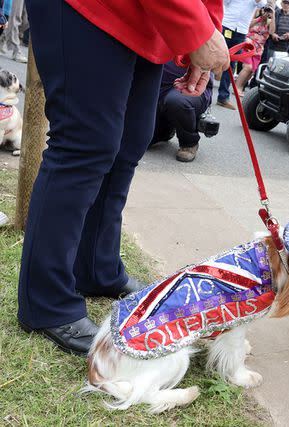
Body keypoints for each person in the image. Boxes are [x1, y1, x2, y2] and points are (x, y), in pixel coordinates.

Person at [17, 0, 229, 357]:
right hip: (86, 7)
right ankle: (45, 301)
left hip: (144, 18)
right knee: (84, 143)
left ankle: (96, 267)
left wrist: (203, 28)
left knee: (131, 140)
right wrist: (194, 27)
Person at [149, 61, 214, 162]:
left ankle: (189, 143)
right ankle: (165, 130)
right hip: (153, 86)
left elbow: (219, 64)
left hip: (189, 86)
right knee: (137, 141)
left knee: (177, 102)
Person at [216, 0, 267, 111]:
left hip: (241, 31)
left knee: (231, 64)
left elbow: (263, 4)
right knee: (215, 57)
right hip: (227, 25)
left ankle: (223, 97)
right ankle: (200, 89)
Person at [235, 5, 275, 96]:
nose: (266, 11)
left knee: (252, 70)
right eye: (265, 9)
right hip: (248, 45)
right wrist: (260, 18)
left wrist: (273, 15)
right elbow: (248, 25)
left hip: (259, 49)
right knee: (247, 67)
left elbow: (272, 32)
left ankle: (240, 86)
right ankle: (237, 88)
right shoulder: (256, 13)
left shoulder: (269, 21)